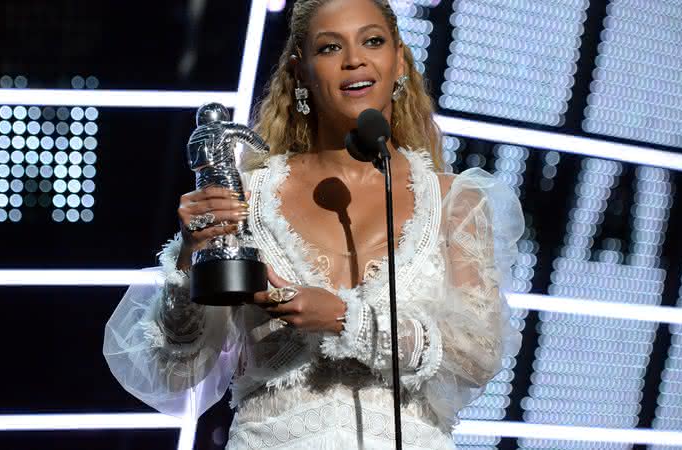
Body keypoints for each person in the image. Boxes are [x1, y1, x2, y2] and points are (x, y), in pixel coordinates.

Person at [103, 0, 524, 448]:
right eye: (329, 47)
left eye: (373, 41)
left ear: (398, 59)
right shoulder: (247, 197)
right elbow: (176, 367)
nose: (354, 59)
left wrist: (345, 319)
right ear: (300, 70)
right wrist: (190, 260)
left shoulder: (455, 202)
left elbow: (476, 356)